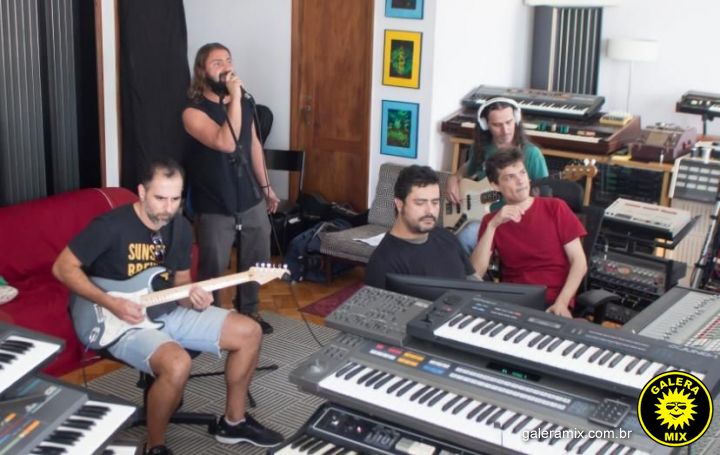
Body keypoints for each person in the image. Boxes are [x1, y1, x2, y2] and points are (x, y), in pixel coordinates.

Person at [52, 159, 283, 455]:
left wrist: (194, 297)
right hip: (115, 319)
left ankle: (233, 422)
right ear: (142, 192)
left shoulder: (180, 227)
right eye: (160, 198)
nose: (168, 208)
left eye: (175, 199)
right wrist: (111, 302)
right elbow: (62, 268)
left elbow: (181, 285)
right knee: (177, 363)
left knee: (249, 332)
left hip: (163, 309)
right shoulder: (110, 226)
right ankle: (155, 445)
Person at [182, 42, 279, 334]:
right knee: (214, 265)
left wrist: (267, 187)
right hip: (214, 202)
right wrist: (235, 98)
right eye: (217, 63)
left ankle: (249, 310)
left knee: (256, 258)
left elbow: (253, 145)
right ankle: (209, 320)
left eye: (228, 60)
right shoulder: (193, 112)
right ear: (202, 71)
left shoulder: (244, 104)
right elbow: (225, 142)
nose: (226, 67)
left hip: (249, 196)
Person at [470, 149, 587, 318]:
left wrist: (562, 303)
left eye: (522, 173)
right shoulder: (492, 221)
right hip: (512, 301)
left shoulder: (555, 208)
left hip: (553, 301)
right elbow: (475, 274)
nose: (521, 181)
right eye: (510, 177)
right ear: (495, 185)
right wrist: (493, 226)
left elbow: (579, 262)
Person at [446, 97, 549, 255]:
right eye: (497, 125)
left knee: (466, 237)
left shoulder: (532, 154)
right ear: (485, 125)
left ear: (516, 119)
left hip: (514, 221)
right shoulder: (481, 149)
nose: (505, 130)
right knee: (449, 240)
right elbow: (466, 169)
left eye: (509, 122)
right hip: (482, 216)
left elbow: (546, 196)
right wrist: (453, 178)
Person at [365, 165, 476, 289]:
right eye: (420, 203)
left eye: (435, 202)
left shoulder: (447, 237)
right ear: (399, 204)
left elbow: (474, 282)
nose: (430, 211)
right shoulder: (383, 261)